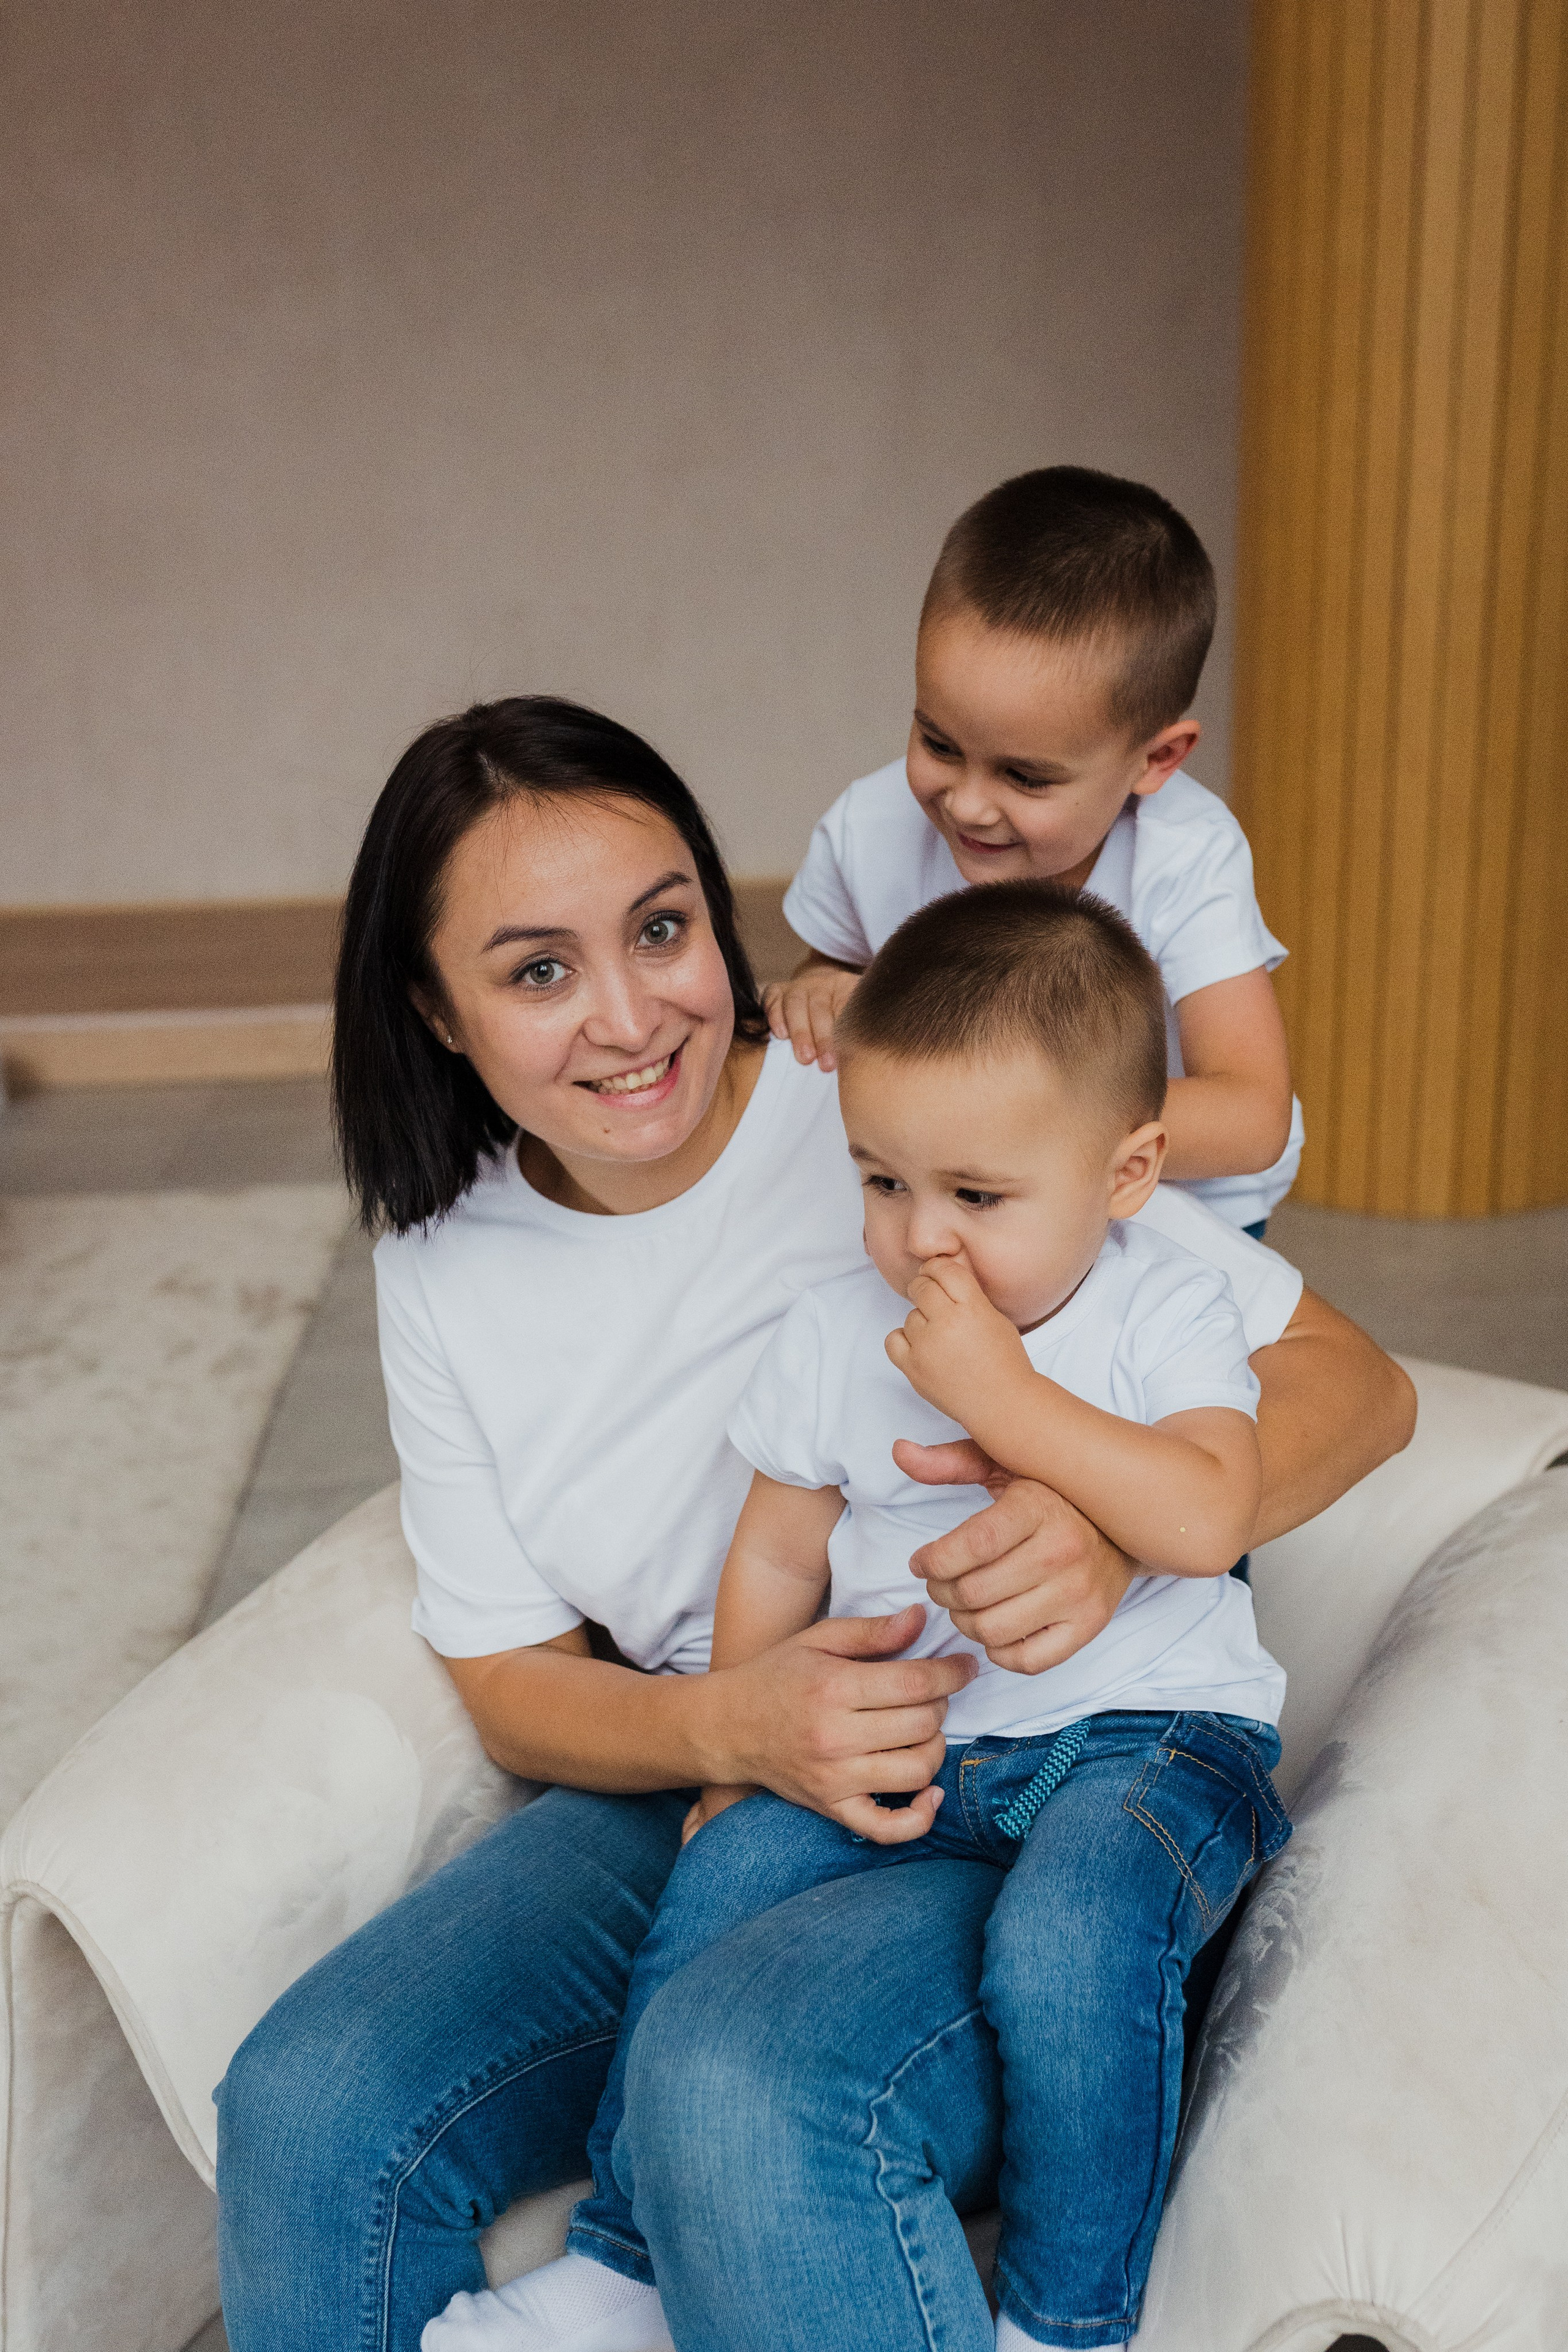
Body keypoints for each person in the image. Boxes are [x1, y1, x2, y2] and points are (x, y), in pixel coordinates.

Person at [213, 697, 1414, 2352]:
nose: (632, 1018)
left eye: (663, 929)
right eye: (537, 969)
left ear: (725, 918)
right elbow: (507, 1671)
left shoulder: (906, 1111)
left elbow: (1352, 1381)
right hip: (708, 1772)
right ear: (433, 1007)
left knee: (738, 2083)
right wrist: (730, 1733)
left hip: (978, 1760)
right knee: (307, 2103)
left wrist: (1111, 1528)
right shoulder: (441, 1259)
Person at [432, 881, 1287, 2352]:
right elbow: (775, 1552)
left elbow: (1208, 1511)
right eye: (881, 1182)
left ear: (1125, 1169)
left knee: (1073, 1936)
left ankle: (1069, 2317)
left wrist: (1003, 1397)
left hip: (1148, 1741)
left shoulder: (1159, 1311)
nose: (918, 1241)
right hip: (928, 1749)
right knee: (715, 1886)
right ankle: (627, 2257)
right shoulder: (838, 1330)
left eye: (975, 1194)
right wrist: (734, 1748)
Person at [771, 465, 1303, 1237]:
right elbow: (834, 969)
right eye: (938, 743)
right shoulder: (869, 826)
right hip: (947, 1198)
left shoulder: (1185, 857)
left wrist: (1023, 1128)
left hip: (1160, 1204)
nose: (968, 803)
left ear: (1156, 761)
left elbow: (1252, 1119)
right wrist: (818, 993)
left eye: (1025, 776)